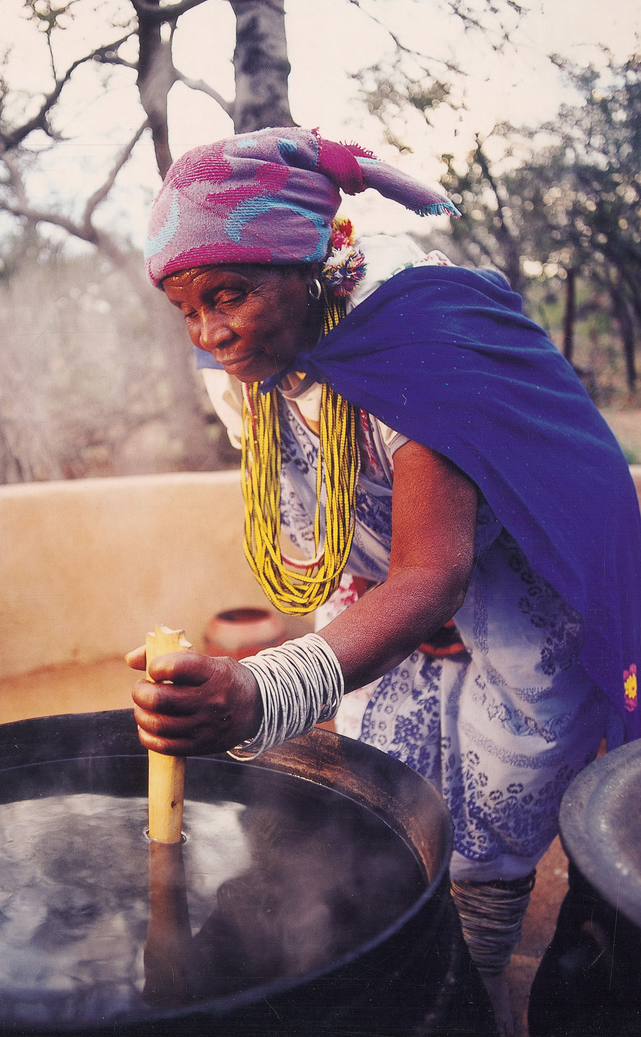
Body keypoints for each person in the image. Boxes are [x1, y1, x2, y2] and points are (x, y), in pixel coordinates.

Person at [126, 127, 641, 1035]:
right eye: (188, 311)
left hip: (525, 575)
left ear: (316, 257)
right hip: (409, 576)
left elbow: (435, 571)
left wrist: (260, 689)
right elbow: (374, 540)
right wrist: (398, 592)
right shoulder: (256, 361)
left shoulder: (419, 342)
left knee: (492, 816)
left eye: (231, 295)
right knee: (386, 789)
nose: (209, 334)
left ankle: (473, 990)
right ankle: (413, 970)